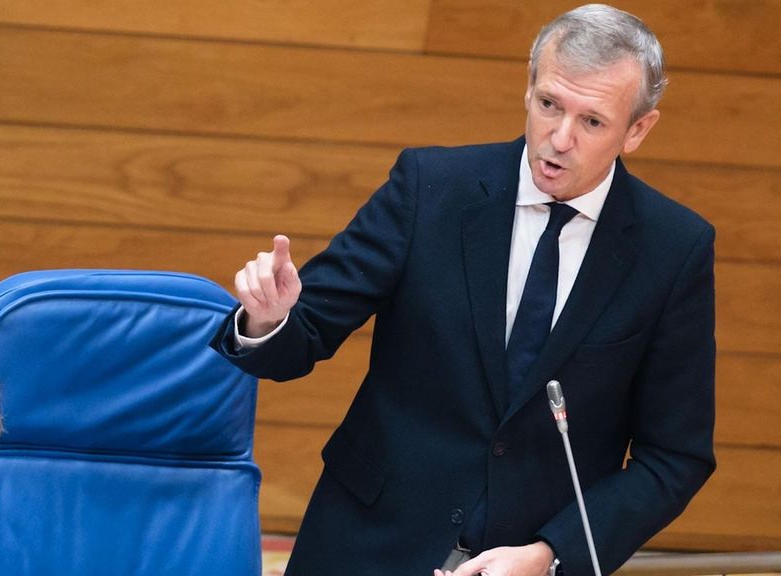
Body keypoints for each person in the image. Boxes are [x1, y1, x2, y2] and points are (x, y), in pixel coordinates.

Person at [211, 4, 716, 575]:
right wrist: (268, 320)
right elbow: (303, 334)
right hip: (370, 543)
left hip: (528, 560)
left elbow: (675, 455)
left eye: (593, 121)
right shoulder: (431, 189)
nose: (560, 138)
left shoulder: (674, 249)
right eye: (549, 104)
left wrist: (553, 553)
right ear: (528, 89)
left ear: (638, 129)